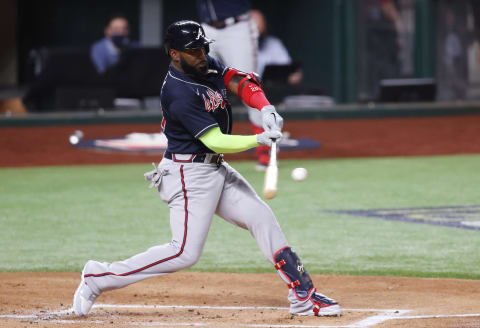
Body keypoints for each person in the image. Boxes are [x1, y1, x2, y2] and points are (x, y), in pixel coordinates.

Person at [73, 20, 342, 318]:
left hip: (215, 170)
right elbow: (215, 141)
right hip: (188, 176)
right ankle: (98, 277)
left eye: (203, 48)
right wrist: (259, 139)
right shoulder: (177, 91)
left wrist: (265, 108)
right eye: (193, 51)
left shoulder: (203, 65)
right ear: (175, 54)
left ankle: (303, 294)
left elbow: (239, 80)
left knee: (262, 219)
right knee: (184, 253)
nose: (201, 55)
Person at [196, 0, 269, 171]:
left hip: (236, 27)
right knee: (198, 90)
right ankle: (200, 153)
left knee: (248, 86)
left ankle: (266, 150)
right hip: (206, 29)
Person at [250, 9, 303, 85]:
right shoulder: (236, 46)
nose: (257, 34)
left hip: (272, 90)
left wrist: (293, 75)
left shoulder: (273, 43)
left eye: (260, 30)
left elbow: (288, 67)